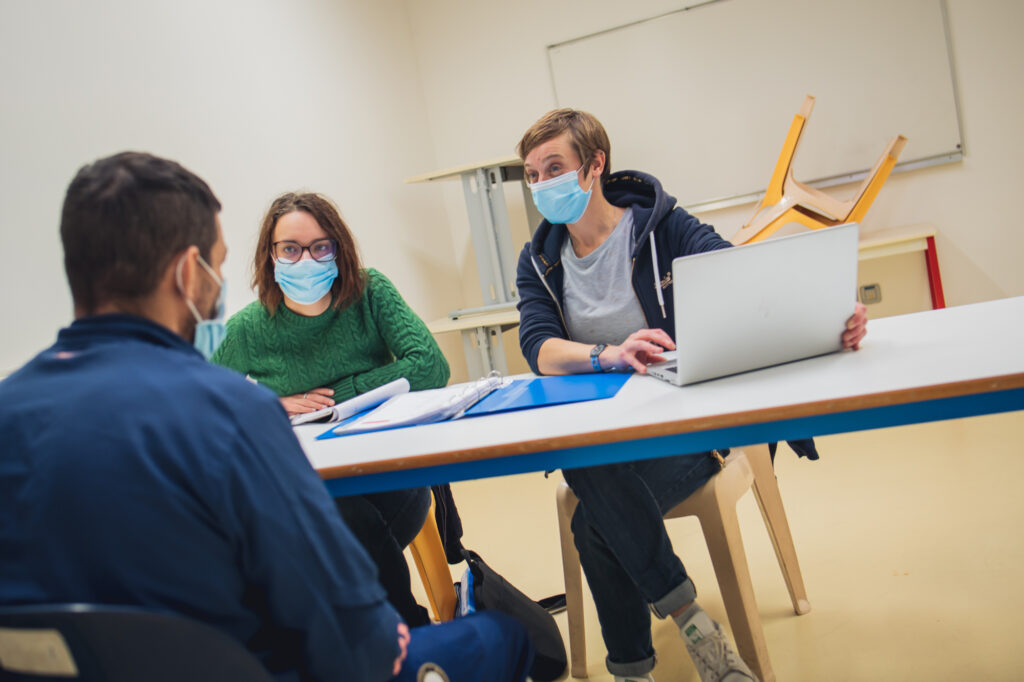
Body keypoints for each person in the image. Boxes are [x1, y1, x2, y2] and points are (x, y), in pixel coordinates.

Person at [0, 151, 533, 682]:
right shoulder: (230, 413)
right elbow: (347, 632)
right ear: (190, 272)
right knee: (508, 639)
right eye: (217, 262)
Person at [514, 109, 868, 682]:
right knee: (592, 475)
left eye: (554, 167)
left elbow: (745, 282)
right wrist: (607, 354)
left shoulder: (662, 226)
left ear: (595, 165)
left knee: (593, 513)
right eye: (530, 175)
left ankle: (633, 669)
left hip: (688, 431)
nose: (540, 185)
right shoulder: (540, 260)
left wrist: (834, 318)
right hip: (608, 437)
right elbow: (539, 346)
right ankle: (692, 623)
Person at [211, 192, 451, 626]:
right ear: (270, 255)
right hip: (309, 485)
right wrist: (269, 404)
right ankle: (408, 637)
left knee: (339, 530)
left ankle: (389, 640)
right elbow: (200, 403)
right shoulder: (248, 329)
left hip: (390, 471)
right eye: (290, 248)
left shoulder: (371, 290)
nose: (306, 259)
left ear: (339, 250)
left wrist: (345, 392)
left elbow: (431, 366)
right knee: (338, 517)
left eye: (321, 246)